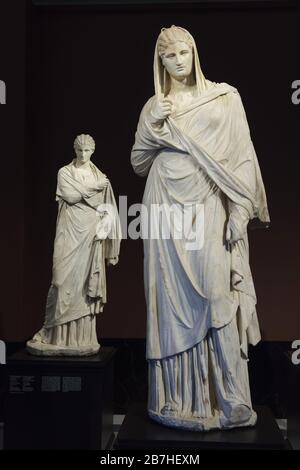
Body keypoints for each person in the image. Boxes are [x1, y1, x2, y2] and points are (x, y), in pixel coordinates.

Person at [131, 26, 270, 430]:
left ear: (195, 52)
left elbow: (243, 157)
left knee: (218, 294)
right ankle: (173, 400)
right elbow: (139, 161)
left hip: (209, 203)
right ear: (160, 63)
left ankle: (232, 400)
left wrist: (239, 212)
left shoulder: (224, 98)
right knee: (168, 304)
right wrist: (151, 125)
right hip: (164, 207)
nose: (179, 60)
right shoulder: (155, 105)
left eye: (184, 52)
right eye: (170, 56)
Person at [27, 134, 121, 356]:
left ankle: (81, 339)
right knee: (60, 281)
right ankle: (53, 333)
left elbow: (109, 209)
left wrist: (109, 242)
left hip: (90, 234)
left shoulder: (101, 177)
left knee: (84, 289)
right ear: (74, 150)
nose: (83, 154)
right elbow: (69, 196)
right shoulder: (66, 172)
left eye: (87, 150)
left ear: (93, 151)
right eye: (80, 150)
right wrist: (93, 188)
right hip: (69, 231)